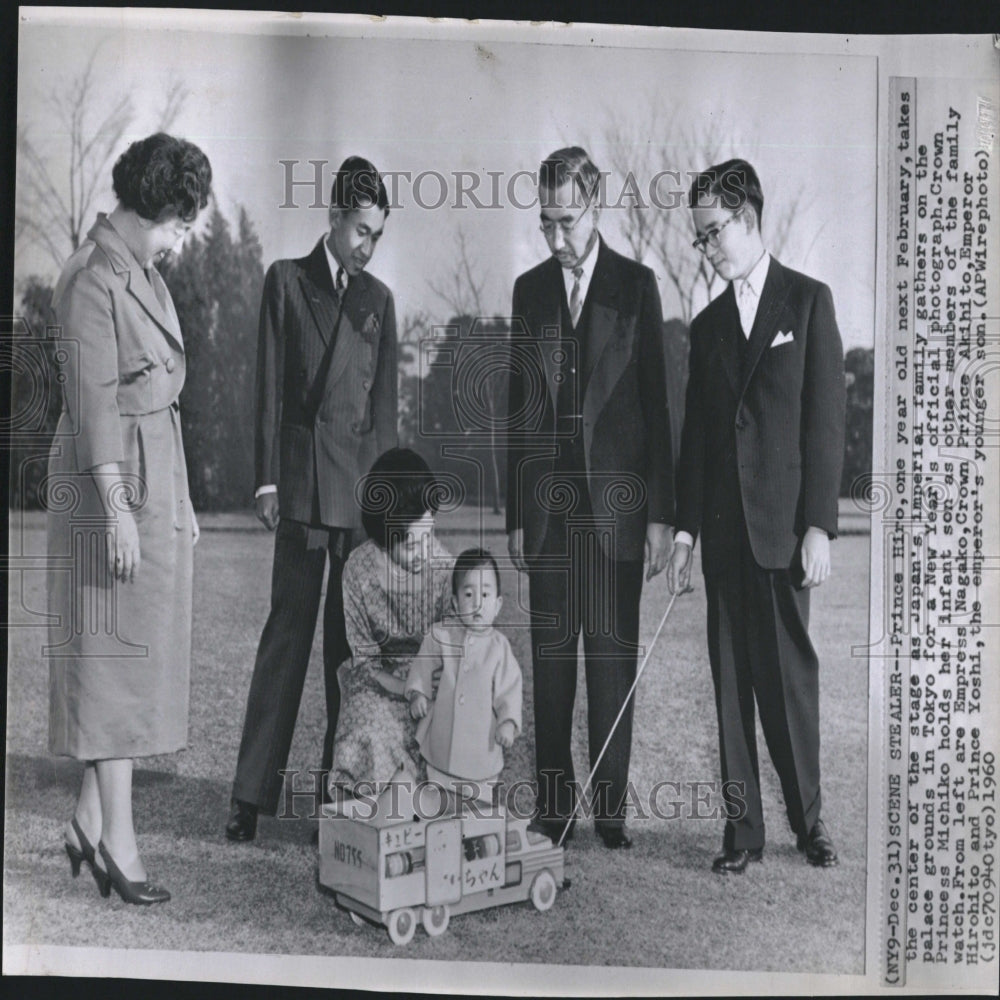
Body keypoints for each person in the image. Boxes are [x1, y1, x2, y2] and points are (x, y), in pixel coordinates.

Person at [667, 158, 846, 874]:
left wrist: (818, 525)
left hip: (783, 533)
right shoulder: (707, 327)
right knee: (730, 687)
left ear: (745, 220)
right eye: (699, 238)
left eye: (710, 234)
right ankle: (743, 837)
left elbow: (825, 425)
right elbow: (699, 443)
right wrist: (684, 531)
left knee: (789, 684)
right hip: (724, 540)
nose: (705, 247)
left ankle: (811, 824)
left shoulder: (807, 302)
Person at [47, 133, 212, 904]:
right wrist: (116, 509)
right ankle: (118, 841)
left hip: (152, 471)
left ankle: (86, 819)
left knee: (136, 659)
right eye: (182, 222)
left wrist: (175, 503)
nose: (183, 238)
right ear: (156, 207)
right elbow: (92, 407)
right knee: (114, 663)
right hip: (108, 477)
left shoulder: (137, 268)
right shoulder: (92, 277)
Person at [505, 146, 674, 849]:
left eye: (566, 221)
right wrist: (517, 513)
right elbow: (517, 409)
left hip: (620, 512)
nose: (555, 238)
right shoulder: (529, 290)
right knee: (551, 666)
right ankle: (554, 809)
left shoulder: (636, 286)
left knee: (610, 661)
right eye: (545, 222)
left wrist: (663, 513)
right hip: (548, 513)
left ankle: (610, 813)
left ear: (595, 207)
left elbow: (659, 408)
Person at [226, 157, 398, 842]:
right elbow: (268, 387)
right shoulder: (285, 281)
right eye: (360, 229)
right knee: (286, 641)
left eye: (377, 235)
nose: (368, 244)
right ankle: (248, 797)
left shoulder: (379, 300)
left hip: (356, 502)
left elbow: (383, 417)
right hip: (299, 493)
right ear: (333, 216)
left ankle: (343, 801)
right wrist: (267, 479)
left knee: (350, 655)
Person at [327, 448, 455, 799]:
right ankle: (367, 817)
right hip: (379, 682)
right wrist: (404, 691)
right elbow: (364, 661)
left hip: (435, 681)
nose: (423, 553)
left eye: (429, 537)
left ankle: (434, 811)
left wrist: (426, 690)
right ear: (384, 536)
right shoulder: (358, 568)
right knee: (369, 723)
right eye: (410, 545)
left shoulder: (446, 570)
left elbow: (456, 652)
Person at [406, 548, 522, 805]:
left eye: (485, 594)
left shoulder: (499, 648)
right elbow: (423, 664)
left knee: (476, 808)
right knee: (437, 799)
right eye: (469, 595)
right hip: (442, 742)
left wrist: (508, 722)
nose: (477, 603)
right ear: (456, 603)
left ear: (498, 604)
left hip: (480, 747)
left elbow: (510, 689)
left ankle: (475, 831)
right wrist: (418, 692)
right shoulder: (441, 635)